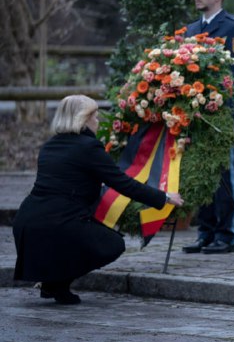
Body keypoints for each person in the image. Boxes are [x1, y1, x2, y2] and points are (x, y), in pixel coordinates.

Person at [13, 95, 184, 304]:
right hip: (58, 224)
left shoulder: (49, 146)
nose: (98, 120)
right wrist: (164, 196)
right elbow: (123, 183)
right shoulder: (88, 147)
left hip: (28, 221)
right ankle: (56, 284)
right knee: (112, 244)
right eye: (93, 116)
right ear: (82, 120)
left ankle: (55, 285)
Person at [181, 0, 234, 255]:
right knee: (200, 174)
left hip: (220, 115)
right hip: (196, 115)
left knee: (223, 176)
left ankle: (227, 233)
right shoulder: (191, 30)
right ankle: (206, 231)